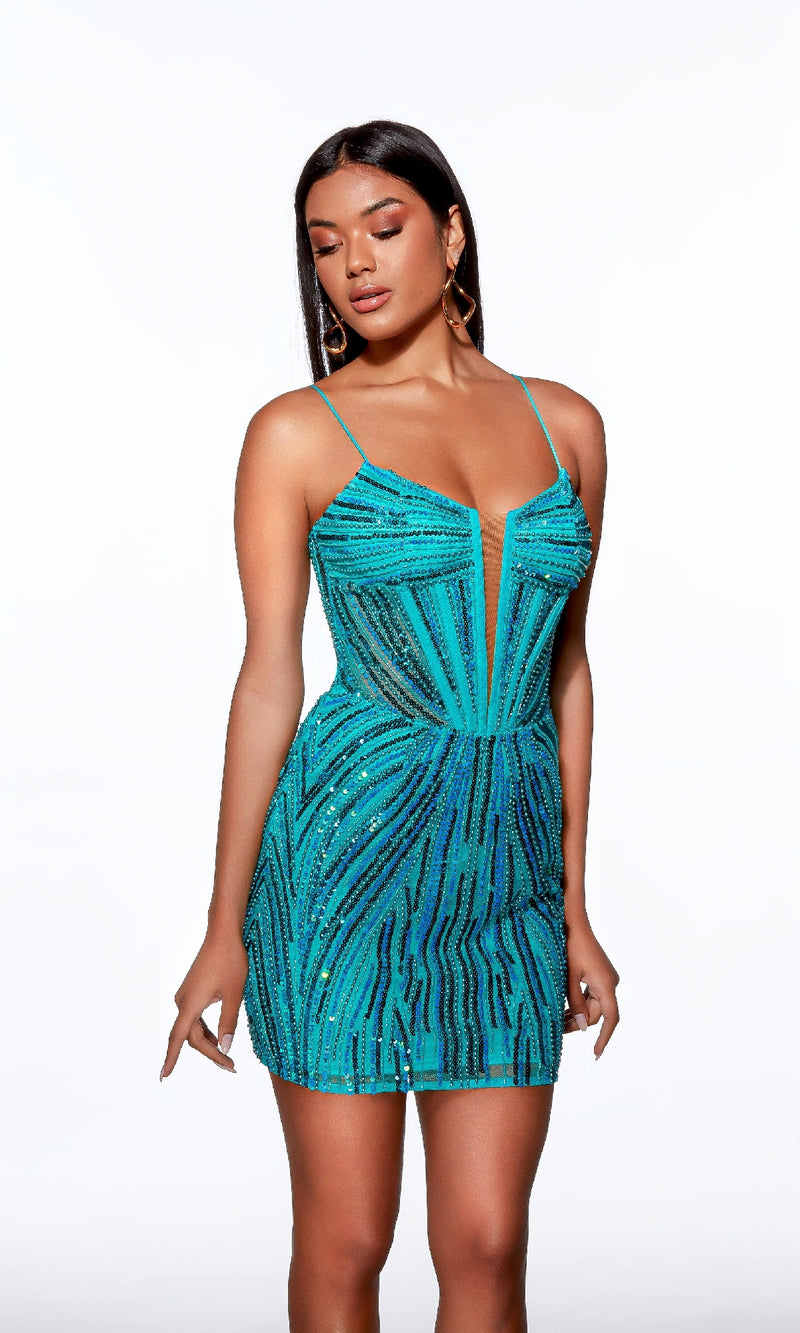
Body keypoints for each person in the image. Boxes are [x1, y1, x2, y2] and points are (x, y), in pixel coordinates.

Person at [161, 118, 620, 1333]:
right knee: (347, 1238)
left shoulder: (567, 424)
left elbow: (566, 670)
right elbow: (268, 679)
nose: (353, 264)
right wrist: (222, 927)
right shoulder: (296, 432)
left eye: (382, 226)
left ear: (450, 234)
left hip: (507, 880)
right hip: (343, 870)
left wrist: (573, 904)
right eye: (324, 245)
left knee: (486, 1242)